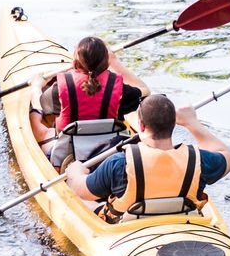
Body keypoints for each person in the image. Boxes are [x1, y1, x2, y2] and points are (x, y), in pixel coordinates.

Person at [63, 94, 230, 218]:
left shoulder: (119, 163)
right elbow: (226, 156)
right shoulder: (199, 160)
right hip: (182, 220)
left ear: (141, 126)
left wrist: (75, 172)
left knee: (77, 198)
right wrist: (192, 123)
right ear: (174, 124)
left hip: (128, 226)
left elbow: (82, 191)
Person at [31, 36, 148, 167]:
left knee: (38, 122)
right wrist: (116, 63)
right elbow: (145, 90)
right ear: (107, 63)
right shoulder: (121, 90)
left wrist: (36, 86)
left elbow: (40, 103)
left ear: (75, 63)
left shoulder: (59, 88)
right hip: (110, 151)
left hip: (70, 155)